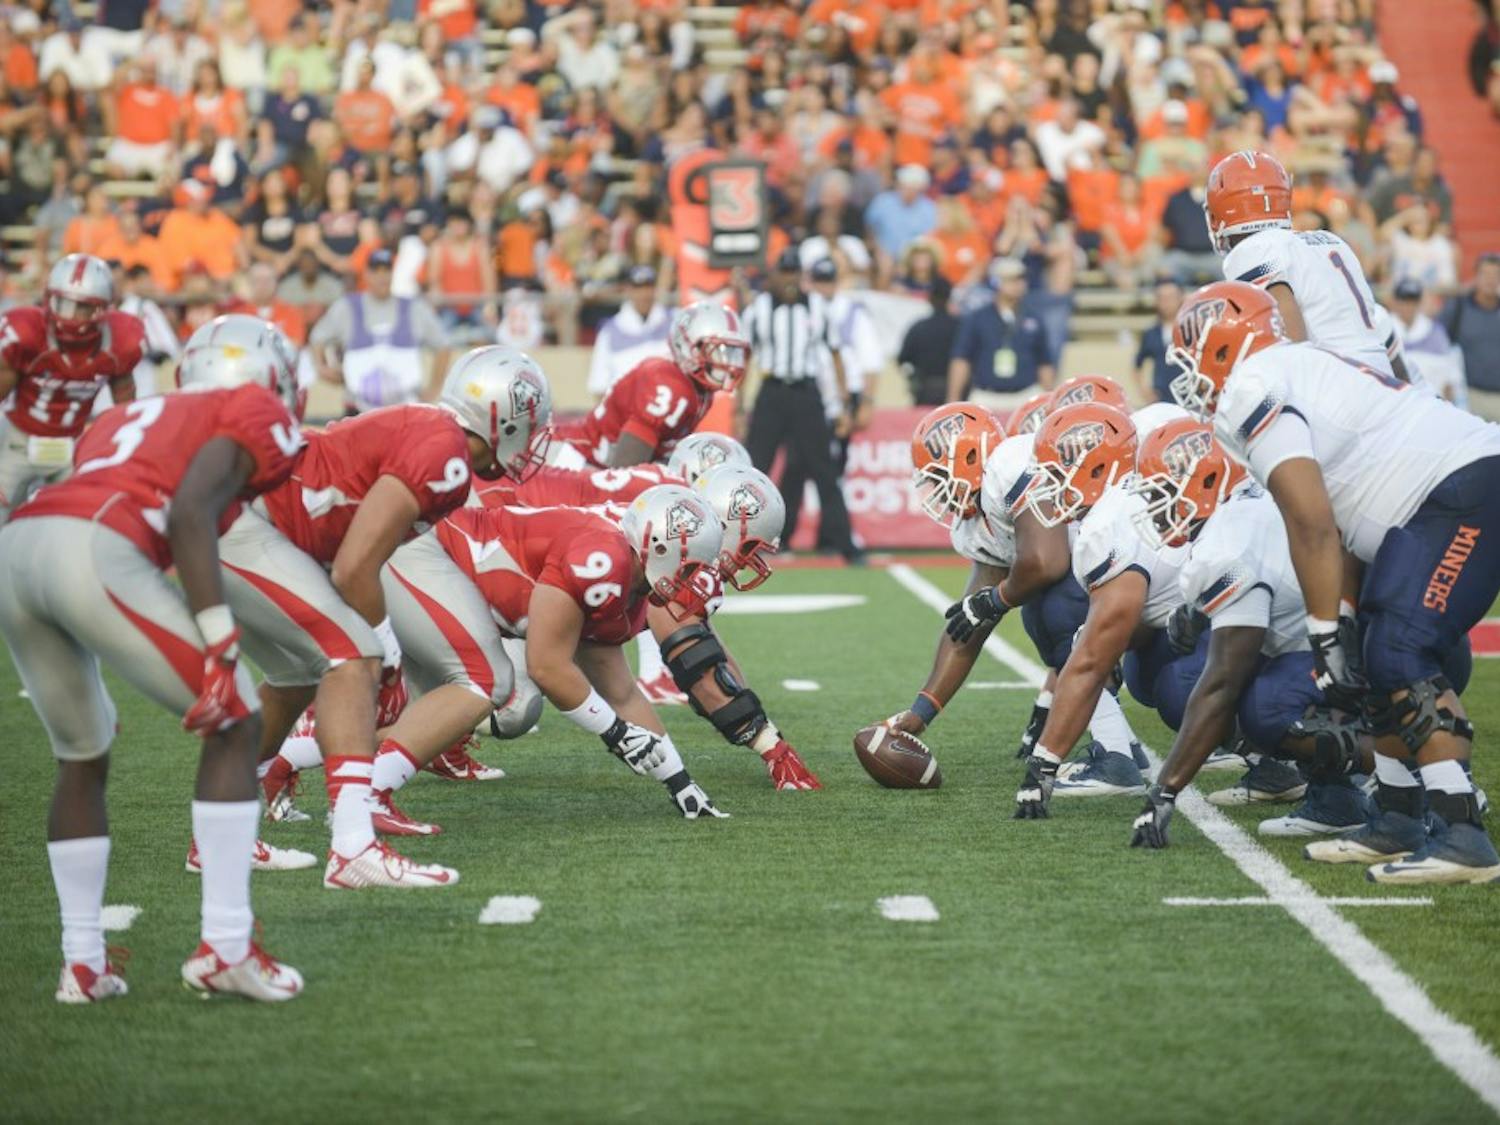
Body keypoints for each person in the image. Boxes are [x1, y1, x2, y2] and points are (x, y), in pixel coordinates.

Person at [0, 326, 305, 1003]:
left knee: (83, 752)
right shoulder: (255, 408)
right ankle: (226, 945)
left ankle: (82, 963)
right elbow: (191, 511)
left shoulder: (124, 414)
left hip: (19, 546)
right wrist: (220, 637)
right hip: (92, 544)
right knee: (236, 718)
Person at [1170, 280, 1500, 883]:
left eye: (1193, 351)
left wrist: (1322, 633)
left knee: (1401, 648)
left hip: (1459, 490)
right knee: (1372, 652)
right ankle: (1397, 820)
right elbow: (1340, 523)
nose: (1190, 370)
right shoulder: (1299, 367)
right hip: (1432, 500)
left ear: (1221, 346)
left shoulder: (1253, 386)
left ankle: (1461, 833)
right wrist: (1341, 619)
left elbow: (1312, 521)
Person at [202, 335, 528, 884]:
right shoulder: (444, 452)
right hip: (247, 521)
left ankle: (218, 837)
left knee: (296, 677)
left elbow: (355, 551)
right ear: (502, 416)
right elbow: (354, 566)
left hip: (249, 522)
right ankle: (353, 845)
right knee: (354, 660)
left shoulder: (439, 442)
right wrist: (387, 647)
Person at [376, 483, 729, 825]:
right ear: (658, 547)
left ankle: (351, 785)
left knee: (402, 721)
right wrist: (614, 732)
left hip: (438, 571)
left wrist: (680, 781)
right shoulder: (606, 559)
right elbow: (547, 667)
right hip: (423, 550)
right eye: (689, 567)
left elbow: (620, 692)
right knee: (488, 682)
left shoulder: (628, 585)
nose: (690, 579)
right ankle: (369, 800)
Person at [1126, 419, 1373, 848]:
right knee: (1186, 683)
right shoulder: (1243, 503)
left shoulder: (1228, 546)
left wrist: (1164, 790)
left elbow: (1224, 682)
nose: (1154, 504)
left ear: (1205, 480)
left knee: (1266, 708)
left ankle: (1416, 779)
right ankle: (1336, 800)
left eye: (1161, 491)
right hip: (1339, 631)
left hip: (1371, 641)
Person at [1206, 149, 1400, 379]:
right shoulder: (1331, 240)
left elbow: (1292, 351)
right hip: (1383, 381)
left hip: (1338, 390)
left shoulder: (1253, 251)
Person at [0, 255, 142, 523]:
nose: (69, 316)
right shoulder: (28, 333)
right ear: (48, 298)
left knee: (74, 524)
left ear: (102, 309)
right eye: (62, 303)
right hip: (18, 441)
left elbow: (125, 410)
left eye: (82, 307)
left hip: (72, 447)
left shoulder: (119, 343)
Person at [742, 251, 860, 562]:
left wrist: (845, 403)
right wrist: (737, 408)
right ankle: (738, 546)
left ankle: (846, 545)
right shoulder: (759, 308)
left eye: (795, 272)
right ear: (775, 275)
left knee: (825, 470)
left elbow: (835, 355)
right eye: (785, 272)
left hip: (807, 393)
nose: (790, 278)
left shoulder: (817, 306)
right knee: (754, 472)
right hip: (771, 391)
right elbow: (745, 357)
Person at [555, 302, 746, 468]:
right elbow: (626, 472)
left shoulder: (699, 389)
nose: (729, 362)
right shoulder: (669, 387)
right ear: (688, 347)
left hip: (597, 465)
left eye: (732, 352)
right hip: (576, 460)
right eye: (718, 351)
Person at [308, 248, 450, 411]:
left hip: (406, 410)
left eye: (386, 271)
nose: (382, 277)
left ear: (392, 273)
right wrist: (321, 367)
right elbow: (317, 338)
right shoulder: (347, 307)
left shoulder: (414, 307)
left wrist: (434, 389)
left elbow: (443, 345)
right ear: (366, 274)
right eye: (376, 271)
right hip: (357, 410)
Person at [946, 258, 1054, 411]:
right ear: (996, 282)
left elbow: (1044, 362)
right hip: (986, 395)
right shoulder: (978, 318)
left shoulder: (1034, 318)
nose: (1018, 284)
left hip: (1026, 394)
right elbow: (962, 359)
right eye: (1011, 280)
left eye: (1021, 279)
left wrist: (1048, 397)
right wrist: (953, 398)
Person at [586, 264, 672, 399]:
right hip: (625, 413)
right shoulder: (610, 331)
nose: (644, 294)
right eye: (638, 288)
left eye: (648, 287)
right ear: (628, 290)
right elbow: (599, 385)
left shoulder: (673, 322)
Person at [1391, 279, 1467, 408]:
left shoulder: (1435, 332)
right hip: (1395, 404)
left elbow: (1450, 373)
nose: (1408, 306)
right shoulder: (1383, 328)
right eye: (1404, 301)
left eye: (1412, 301)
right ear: (1396, 302)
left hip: (1430, 405)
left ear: (1419, 303)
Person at [1442, 253, 1500, 421]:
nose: (1491, 280)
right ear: (1476, 276)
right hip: (1470, 397)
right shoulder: (1458, 308)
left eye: (1496, 274)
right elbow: (1441, 345)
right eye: (1485, 274)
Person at [898, 278, 958, 406]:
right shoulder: (961, 326)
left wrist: (913, 376)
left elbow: (902, 359)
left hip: (925, 390)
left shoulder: (919, 327)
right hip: (956, 391)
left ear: (930, 299)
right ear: (949, 298)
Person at [1129, 277, 1184, 404]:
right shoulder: (1151, 333)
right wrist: (1145, 391)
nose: (1166, 303)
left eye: (1171, 297)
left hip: (1189, 400)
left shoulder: (1192, 331)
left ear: (1180, 298)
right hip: (1161, 400)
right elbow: (1137, 365)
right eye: (1162, 298)